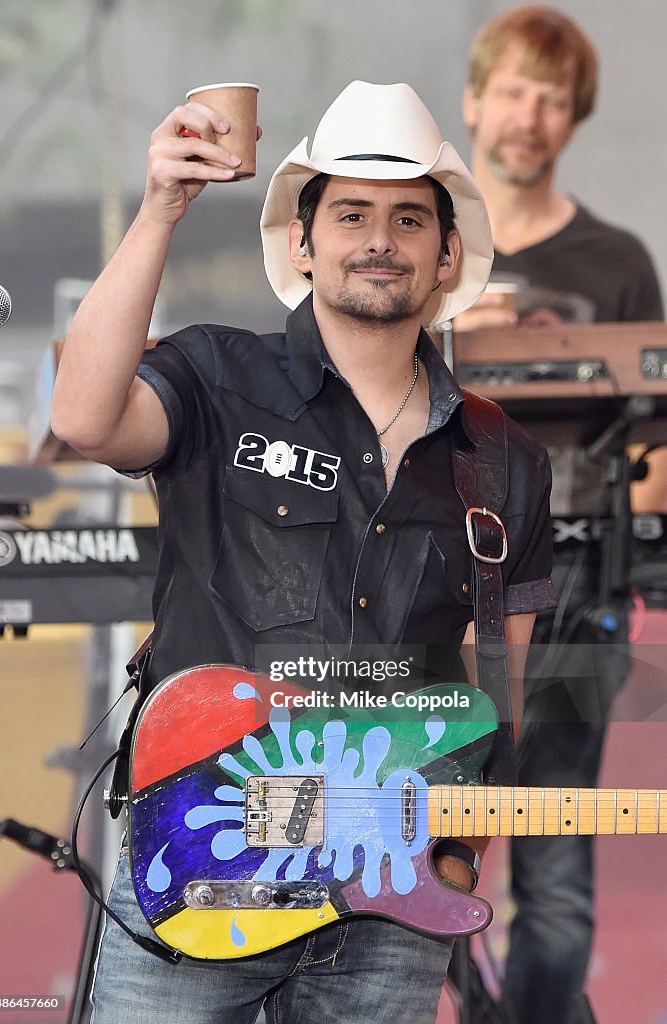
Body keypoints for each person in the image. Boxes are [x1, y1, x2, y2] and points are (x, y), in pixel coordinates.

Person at [51, 80, 555, 1024]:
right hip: (198, 870)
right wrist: (162, 206)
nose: (379, 239)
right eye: (351, 213)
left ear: (446, 255)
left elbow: (502, 696)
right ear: (303, 240)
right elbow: (83, 419)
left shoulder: (505, 459)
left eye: (410, 218)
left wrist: (455, 858)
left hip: (390, 904)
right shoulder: (212, 374)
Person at [455, 8, 664, 1024]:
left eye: (553, 98)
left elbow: (651, 441)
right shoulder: (423, 247)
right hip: (425, 576)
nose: (530, 115)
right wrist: (453, 337)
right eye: (514, 91)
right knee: (411, 841)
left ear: (572, 121)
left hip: (580, 582)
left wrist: (634, 550)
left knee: (554, 859)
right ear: (474, 100)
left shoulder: (617, 258)